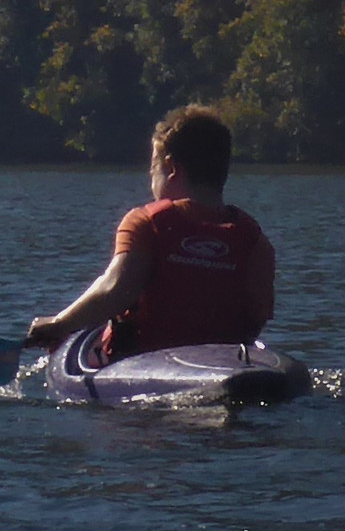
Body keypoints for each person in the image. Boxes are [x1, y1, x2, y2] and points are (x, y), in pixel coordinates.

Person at [22, 105, 275, 363]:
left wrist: (58, 325)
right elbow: (257, 315)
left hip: (143, 365)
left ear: (170, 167)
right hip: (222, 365)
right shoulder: (254, 239)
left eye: (153, 169)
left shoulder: (146, 223)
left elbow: (115, 290)